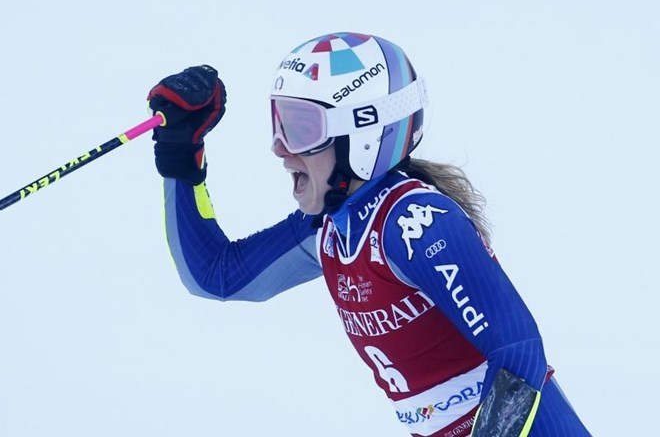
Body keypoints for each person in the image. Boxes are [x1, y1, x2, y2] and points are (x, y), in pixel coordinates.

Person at [147, 32, 591, 436]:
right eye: (278, 122)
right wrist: (179, 157)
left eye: (300, 128)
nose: (279, 148)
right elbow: (216, 274)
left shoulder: (416, 224)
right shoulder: (330, 229)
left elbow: (518, 353)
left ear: (363, 135)